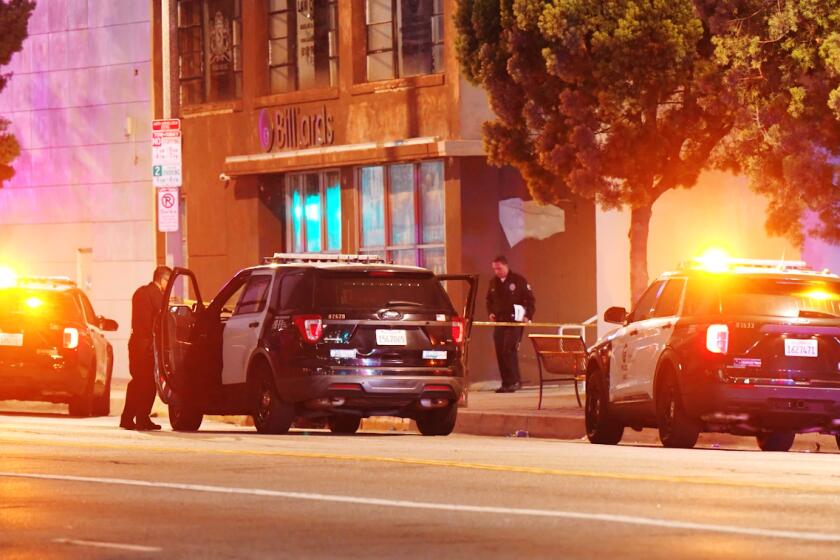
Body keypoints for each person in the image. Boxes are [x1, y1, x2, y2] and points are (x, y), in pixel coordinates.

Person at [120, 265, 172, 430]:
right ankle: (139, 417)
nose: (169, 285)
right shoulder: (151, 295)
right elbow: (152, 322)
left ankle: (130, 417)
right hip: (145, 346)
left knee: (140, 382)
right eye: (169, 281)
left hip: (140, 344)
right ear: (162, 279)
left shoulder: (143, 293)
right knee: (146, 383)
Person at [486, 256, 535, 393]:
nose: (497, 271)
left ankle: (514, 381)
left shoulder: (518, 281)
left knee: (509, 350)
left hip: (515, 322)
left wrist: (528, 316)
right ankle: (506, 383)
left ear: (506, 266)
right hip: (500, 322)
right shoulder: (493, 283)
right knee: (500, 351)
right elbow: (489, 301)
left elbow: (530, 300)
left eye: (499, 268)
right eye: (494, 269)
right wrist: (490, 313)